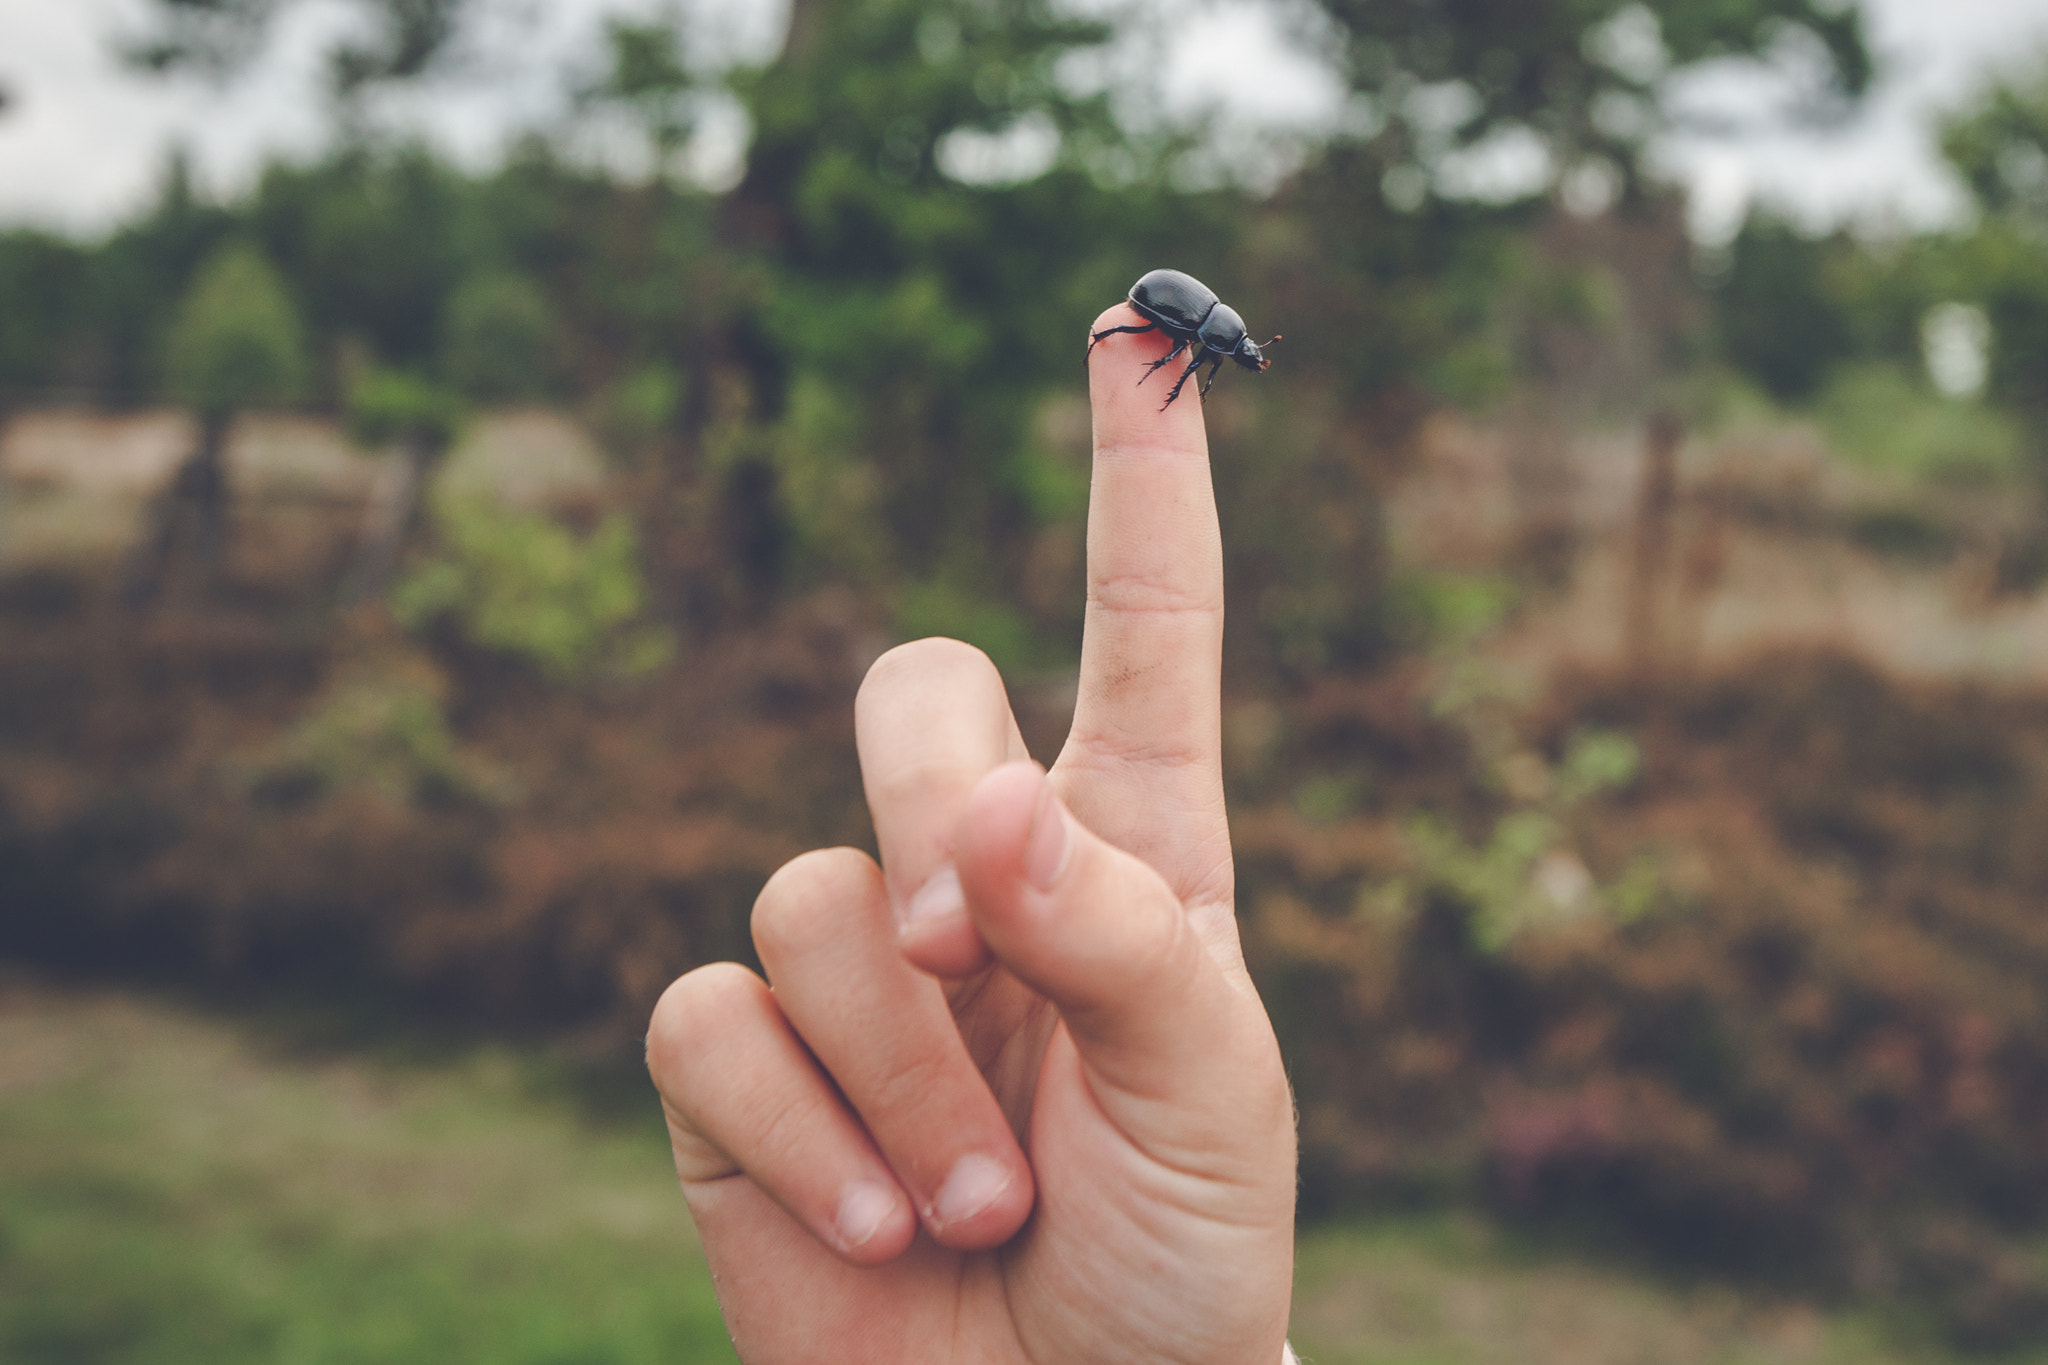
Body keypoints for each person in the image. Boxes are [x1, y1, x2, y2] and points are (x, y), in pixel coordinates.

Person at [645, 300, 1300, 1363]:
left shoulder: (1198, 342)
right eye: (1223, 357)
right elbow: (1171, 339)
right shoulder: (1185, 340)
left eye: (1214, 358)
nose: (1219, 365)